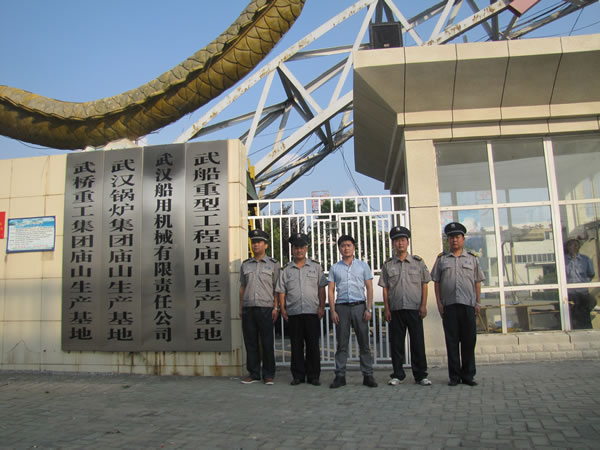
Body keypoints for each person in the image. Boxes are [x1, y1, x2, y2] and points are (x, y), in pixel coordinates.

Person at [431, 222, 485, 387]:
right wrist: (439, 303)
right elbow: (436, 282)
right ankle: (454, 377)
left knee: (469, 342)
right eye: (451, 237)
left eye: (457, 237)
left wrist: (478, 303)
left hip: (468, 305)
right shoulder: (442, 259)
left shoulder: (472, 259)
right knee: (452, 342)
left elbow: (477, 282)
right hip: (449, 306)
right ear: (447, 240)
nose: (454, 240)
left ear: (463, 239)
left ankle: (468, 375)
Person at [379, 226, 432, 386]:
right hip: (396, 310)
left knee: (417, 343)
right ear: (393, 244)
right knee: (396, 344)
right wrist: (387, 308)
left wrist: (423, 305)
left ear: (407, 242)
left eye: (402, 240)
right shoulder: (388, 265)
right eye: (396, 241)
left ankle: (421, 375)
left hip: (414, 309)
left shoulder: (418, 262)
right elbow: (385, 288)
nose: (400, 243)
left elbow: (424, 284)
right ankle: (397, 374)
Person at [276, 233, 328, 386]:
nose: (299, 250)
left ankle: (313, 376)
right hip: (294, 312)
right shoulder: (286, 270)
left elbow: (321, 288)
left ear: (306, 248)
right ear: (292, 250)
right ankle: (298, 375)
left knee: (313, 345)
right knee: (296, 345)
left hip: (312, 312)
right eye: (296, 247)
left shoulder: (316, 267)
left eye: (301, 247)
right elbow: (281, 291)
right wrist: (282, 309)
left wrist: (321, 306)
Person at [328, 235, 377, 388]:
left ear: (354, 247)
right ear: (339, 249)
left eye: (349, 245)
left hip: (359, 307)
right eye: (343, 246)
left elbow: (369, 288)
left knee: (364, 343)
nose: (346, 248)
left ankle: (368, 375)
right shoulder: (335, 268)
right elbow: (331, 290)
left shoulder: (363, 266)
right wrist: (333, 310)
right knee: (341, 343)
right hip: (342, 308)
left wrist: (369, 308)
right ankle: (340, 376)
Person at [239, 229, 281, 385]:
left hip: (266, 308)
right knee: (250, 342)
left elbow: (277, 288)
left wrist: (276, 307)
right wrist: (240, 307)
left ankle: (268, 374)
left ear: (266, 245)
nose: (255, 245)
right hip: (249, 307)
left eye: (258, 242)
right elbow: (242, 287)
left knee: (267, 342)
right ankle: (254, 373)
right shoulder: (245, 265)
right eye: (253, 242)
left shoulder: (273, 265)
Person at [565, 238, 596, 329]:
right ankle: (574, 328)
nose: (573, 247)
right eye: (570, 245)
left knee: (587, 307)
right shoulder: (563, 260)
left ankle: (586, 328)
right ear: (567, 247)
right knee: (572, 311)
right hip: (569, 293)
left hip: (582, 292)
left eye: (575, 245)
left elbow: (591, 274)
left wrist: (584, 283)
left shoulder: (585, 259)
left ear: (579, 247)